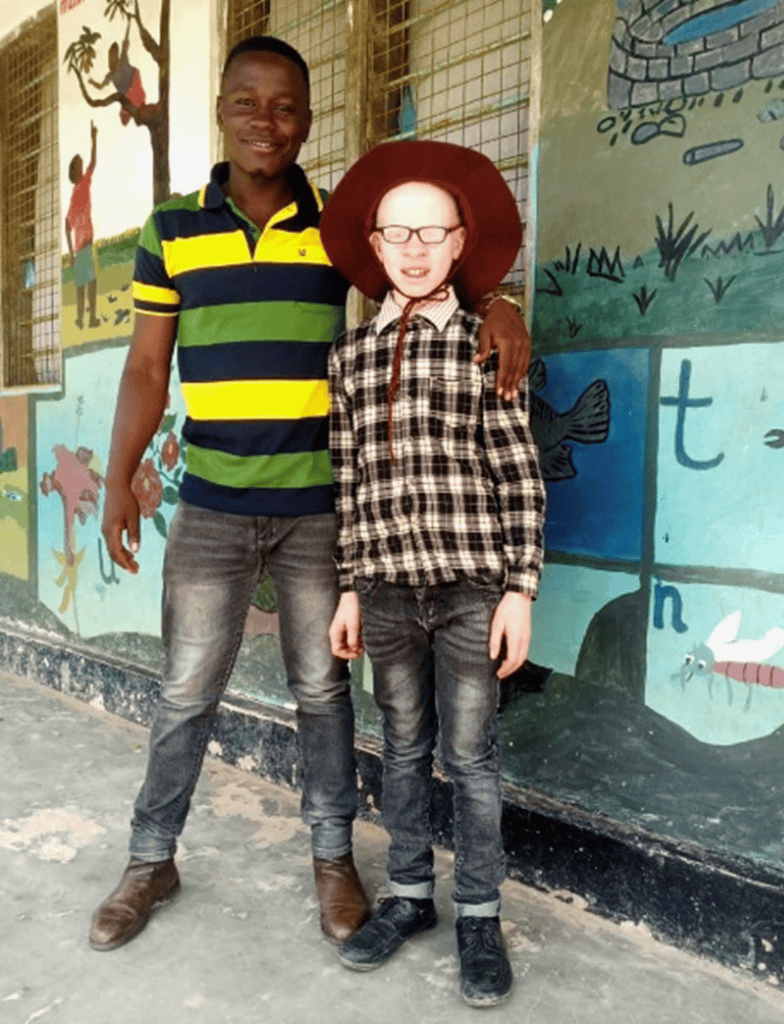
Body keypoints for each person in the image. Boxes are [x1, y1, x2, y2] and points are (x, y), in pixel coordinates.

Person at [90, 35, 532, 954]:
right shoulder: (171, 228)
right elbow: (145, 364)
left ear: (308, 118)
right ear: (221, 107)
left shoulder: (336, 229)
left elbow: (427, 280)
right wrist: (121, 480)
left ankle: (334, 858)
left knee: (322, 692)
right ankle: (149, 858)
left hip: (318, 509)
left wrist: (503, 304)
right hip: (211, 502)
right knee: (183, 691)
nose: (266, 120)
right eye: (248, 101)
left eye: (286, 105)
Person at [322, 141, 545, 1007]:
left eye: (433, 232)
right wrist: (348, 584)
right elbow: (349, 482)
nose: (415, 247)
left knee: (472, 757)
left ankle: (480, 914)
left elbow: (519, 474)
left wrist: (518, 590)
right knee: (404, 747)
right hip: (383, 590)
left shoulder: (489, 347)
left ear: (460, 244)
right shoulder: (348, 361)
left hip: (467, 590)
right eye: (397, 232)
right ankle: (410, 894)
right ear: (374, 247)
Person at [65, 121, 101, 330]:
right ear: (77, 172)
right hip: (85, 243)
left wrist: (70, 252)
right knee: (92, 283)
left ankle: (80, 318)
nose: (83, 165)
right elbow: (93, 162)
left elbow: (66, 225)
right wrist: (94, 139)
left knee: (80, 285)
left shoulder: (73, 196)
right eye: (80, 164)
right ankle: (92, 318)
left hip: (79, 248)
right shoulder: (83, 184)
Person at [89, 20, 149, 126]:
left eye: (114, 56)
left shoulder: (122, 60)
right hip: (126, 94)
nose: (112, 59)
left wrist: (129, 25)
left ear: (116, 57)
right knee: (124, 119)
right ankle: (137, 113)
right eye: (110, 57)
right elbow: (101, 86)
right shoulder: (110, 75)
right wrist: (92, 82)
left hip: (133, 82)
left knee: (138, 101)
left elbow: (125, 45)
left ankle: (141, 109)